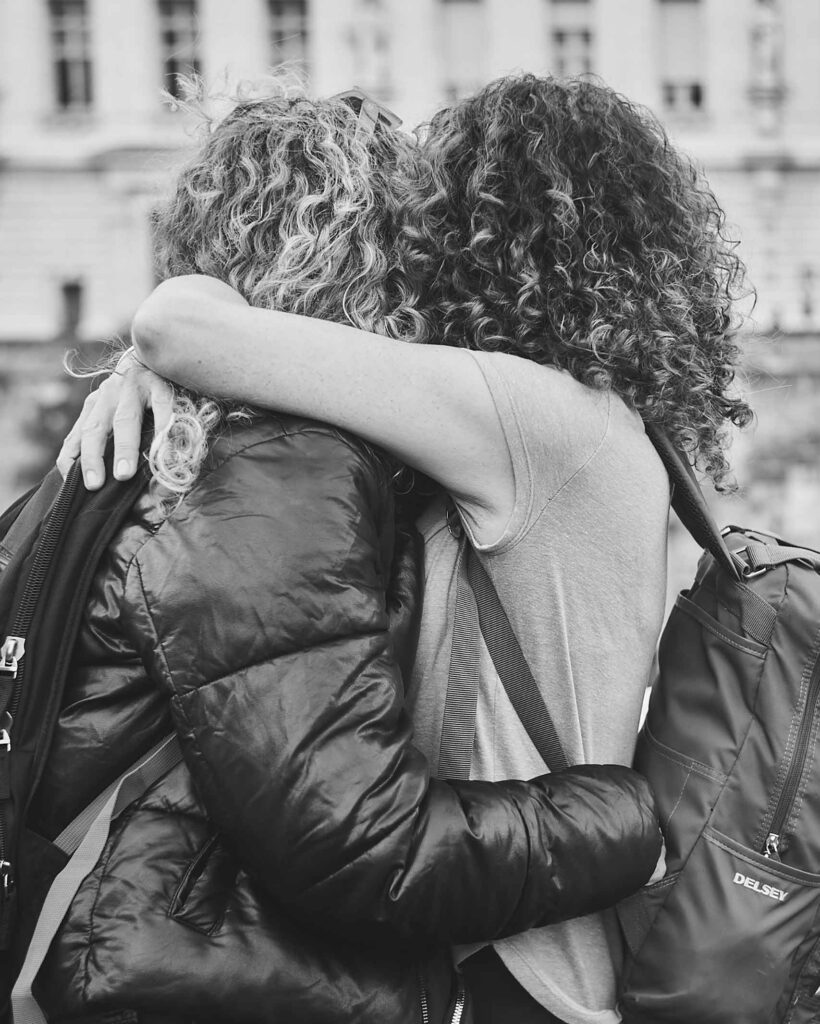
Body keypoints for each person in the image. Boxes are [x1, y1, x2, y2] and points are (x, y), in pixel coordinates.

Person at [75, 74, 751, 1024]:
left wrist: (142, 366)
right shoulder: (576, 429)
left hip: (512, 959)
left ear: (482, 233)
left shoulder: (522, 417)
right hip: (516, 917)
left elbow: (179, 328)